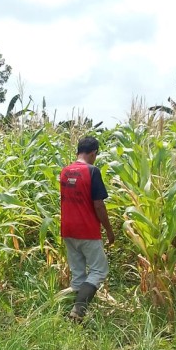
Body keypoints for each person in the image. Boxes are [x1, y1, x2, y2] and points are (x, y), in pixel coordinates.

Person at [60, 136, 116, 321]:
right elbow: (98, 205)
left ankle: (74, 317)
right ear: (93, 153)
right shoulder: (92, 171)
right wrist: (109, 230)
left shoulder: (65, 171)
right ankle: (78, 311)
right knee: (99, 270)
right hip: (87, 229)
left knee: (78, 273)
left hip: (68, 229)